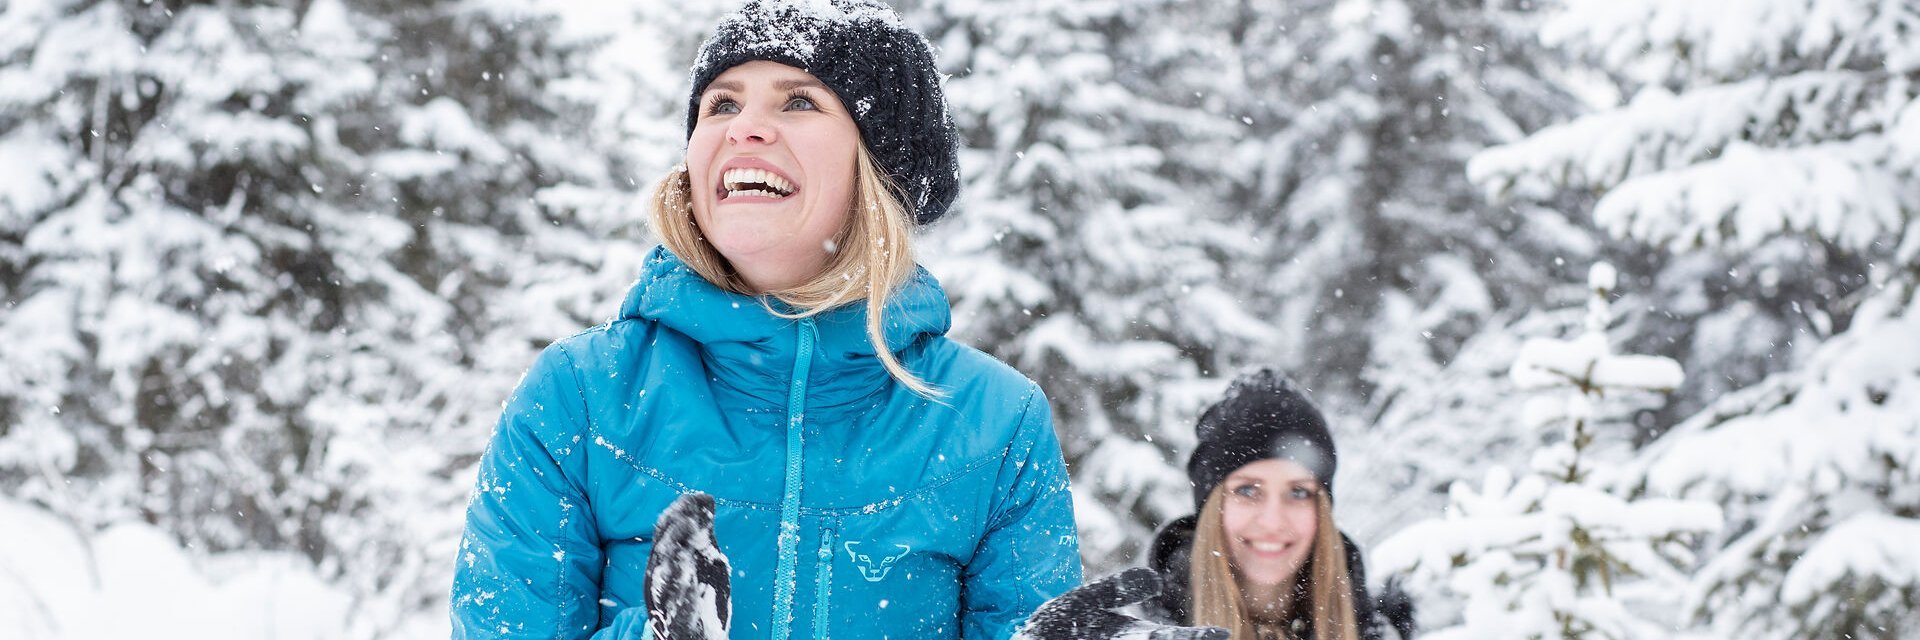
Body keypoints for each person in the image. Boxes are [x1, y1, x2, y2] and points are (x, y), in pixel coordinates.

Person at [448, 2, 1081, 638]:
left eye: (798, 101)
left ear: (881, 167)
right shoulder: (580, 396)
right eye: (721, 105)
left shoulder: (994, 423)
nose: (743, 128)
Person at [1019, 370, 1412, 640]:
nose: (1273, 520)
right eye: (1247, 490)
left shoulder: (1379, 633)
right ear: (1211, 508)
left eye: (1298, 492)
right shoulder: (1136, 630)